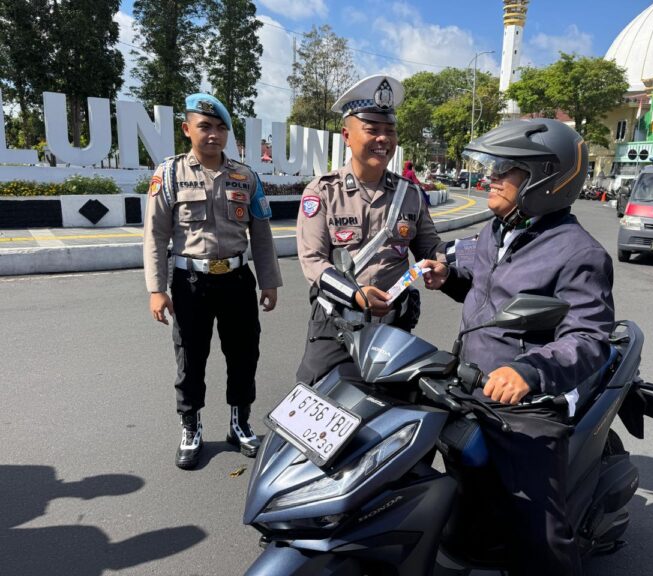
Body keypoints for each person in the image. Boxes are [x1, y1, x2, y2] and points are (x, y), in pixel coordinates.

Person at [421, 118, 615, 576]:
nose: (490, 176)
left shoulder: (579, 252)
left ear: (545, 179)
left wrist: (529, 373)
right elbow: (487, 290)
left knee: (540, 529)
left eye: (505, 168)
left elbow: (590, 339)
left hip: (527, 404)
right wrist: (449, 278)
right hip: (467, 383)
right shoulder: (496, 230)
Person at [143, 93, 282, 470]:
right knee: (190, 357)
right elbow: (155, 235)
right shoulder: (169, 174)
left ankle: (239, 424)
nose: (213, 134)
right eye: (204, 126)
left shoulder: (245, 176)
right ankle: (191, 428)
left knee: (243, 354)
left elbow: (262, 233)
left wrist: (268, 282)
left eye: (221, 128)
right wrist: (157, 289)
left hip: (237, 280)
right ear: (187, 129)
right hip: (191, 284)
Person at [295, 74, 443, 384]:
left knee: (390, 413)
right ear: (347, 135)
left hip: (392, 330)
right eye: (372, 130)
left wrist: (439, 263)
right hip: (336, 326)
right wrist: (355, 295)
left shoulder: (410, 194)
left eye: (389, 131)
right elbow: (313, 261)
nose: (383, 139)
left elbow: (430, 246)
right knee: (315, 401)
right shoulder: (323, 192)